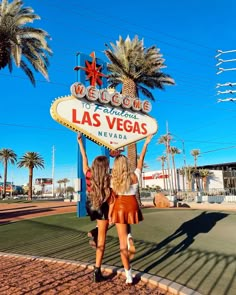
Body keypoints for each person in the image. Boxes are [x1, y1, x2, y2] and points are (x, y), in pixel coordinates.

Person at [109, 134, 153, 285]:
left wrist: (109, 215)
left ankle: (129, 275)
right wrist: (146, 142)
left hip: (119, 207)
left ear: (116, 167)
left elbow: (112, 199)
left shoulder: (113, 179)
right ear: (127, 165)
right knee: (127, 229)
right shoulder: (135, 176)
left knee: (122, 245)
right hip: (132, 206)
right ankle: (129, 236)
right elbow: (141, 160)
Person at [77, 133, 112, 283]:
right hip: (101, 205)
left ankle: (95, 231)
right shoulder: (107, 178)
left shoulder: (88, 173)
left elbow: (84, 159)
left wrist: (80, 143)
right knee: (103, 239)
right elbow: (109, 196)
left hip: (90, 205)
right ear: (105, 167)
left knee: (103, 225)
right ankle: (97, 271)